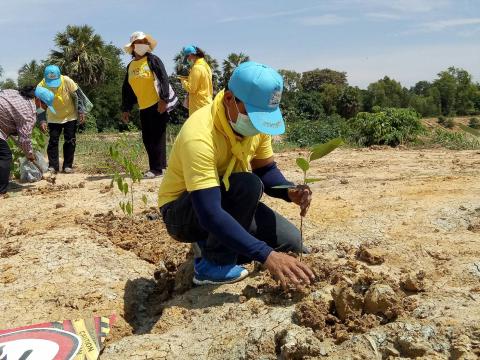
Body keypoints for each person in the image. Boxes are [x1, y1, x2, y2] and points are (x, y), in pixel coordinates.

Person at [158, 62, 315, 287]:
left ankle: (220, 243)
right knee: (248, 185)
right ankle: (212, 265)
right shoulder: (200, 135)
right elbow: (209, 213)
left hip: (229, 202)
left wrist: (289, 191)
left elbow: (266, 170)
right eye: (253, 114)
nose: (257, 124)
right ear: (230, 98)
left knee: (292, 243)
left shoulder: (257, 128)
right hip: (185, 211)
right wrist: (267, 256)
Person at [122, 31, 177, 178]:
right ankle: (160, 166)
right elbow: (127, 89)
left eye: (145, 42)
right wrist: (126, 108)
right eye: (140, 42)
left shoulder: (153, 60)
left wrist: (163, 100)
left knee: (157, 136)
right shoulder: (131, 66)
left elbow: (164, 79)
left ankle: (156, 169)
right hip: (143, 106)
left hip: (157, 103)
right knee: (148, 138)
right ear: (133, 46)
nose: (143, 44)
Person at [0, 86, 56, 194]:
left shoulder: (17, 94)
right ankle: (1, 190)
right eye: (45, 106)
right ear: (38, 100)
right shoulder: (28, 112)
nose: (44, 109)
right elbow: (25, 139)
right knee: (4, 155)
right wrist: (29, 154)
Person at [37, 65, 86, 174]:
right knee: (53, 141)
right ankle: (53, 166)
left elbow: (79, 96)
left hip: (70, 115)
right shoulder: (41, 86)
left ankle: (67, 166)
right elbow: (39, 105)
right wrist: (42, 120)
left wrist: (81, 111)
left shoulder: (67, 80)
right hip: (53, 116)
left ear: (59, 76)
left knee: (70, 140)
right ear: (45, 78)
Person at [179, 45, 213, 115]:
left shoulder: (197, 68)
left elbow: (191, 88)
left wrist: (182, 79)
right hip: (206, 102)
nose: (187, 59)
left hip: (198, 105)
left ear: (191, 55)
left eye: (187, 57)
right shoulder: (206, 66)